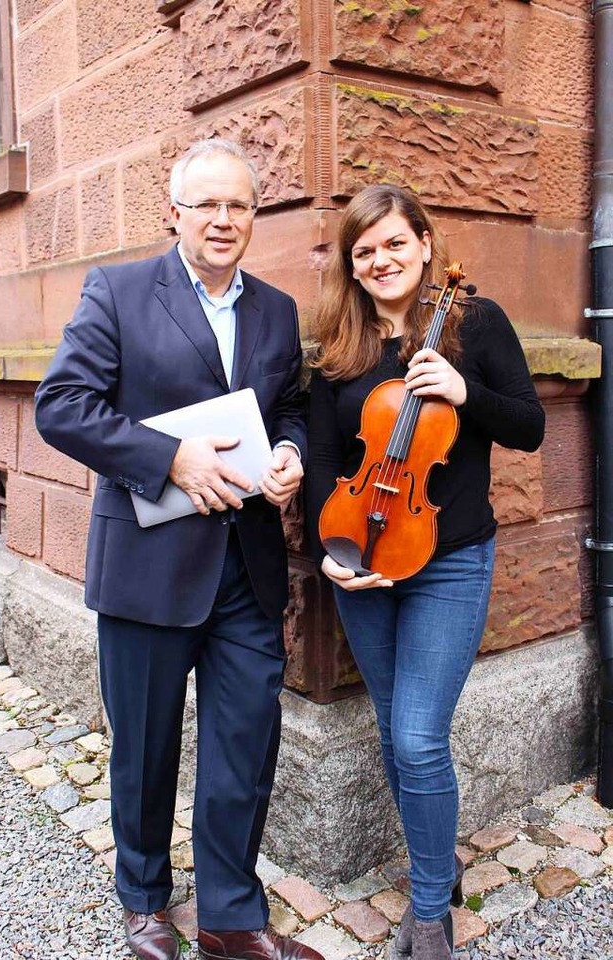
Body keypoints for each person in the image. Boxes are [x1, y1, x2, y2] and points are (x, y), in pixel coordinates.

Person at [35, 139, 323, 960]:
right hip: (148, 571)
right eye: (208, 205)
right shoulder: (120, 292)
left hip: (248, 571)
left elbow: (294, 405)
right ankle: (145, 900)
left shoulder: (275, 309)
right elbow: (62, 405)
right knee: (146, 746)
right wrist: (168, 459)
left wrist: (292, 455)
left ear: (252, 216)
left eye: (239, 205)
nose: (225, 220)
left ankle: (231, 918)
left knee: (243, 746)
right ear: (176, 212)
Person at [305, 184, 545, 960]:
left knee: (416, 738)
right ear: (353, 262)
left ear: (425, 242)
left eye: (393, 244)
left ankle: (433, 908)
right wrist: (330, 553)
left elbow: (532, 427)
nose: (379, 260)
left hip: (448, 560)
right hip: (363, 556)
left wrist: (465, 391)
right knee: (393, 730)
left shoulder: (474, 326)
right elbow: (321, 460)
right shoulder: (341, 341)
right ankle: (434, 867)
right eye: (364, 250)